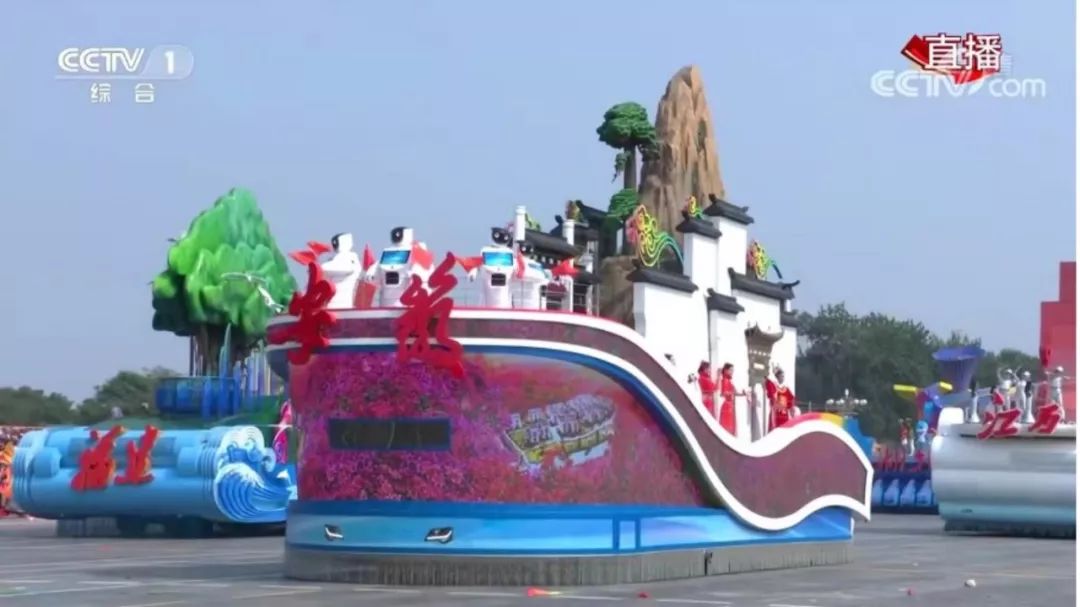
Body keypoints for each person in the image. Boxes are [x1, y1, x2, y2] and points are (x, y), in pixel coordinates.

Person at [765, 366, 796, 431]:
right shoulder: (773, 387)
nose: (783, 378)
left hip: (784, 417)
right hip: (775, 415)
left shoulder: (786, 389)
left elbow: (791, 402)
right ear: (777, 377)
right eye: (781, 376)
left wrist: (792, 413)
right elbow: (768, 383)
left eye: (783, 376)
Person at [718, 363, 740, 435]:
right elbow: (723, 393)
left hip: (730, 406)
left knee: (730, 427)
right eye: (730, 370)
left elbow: (735, 393)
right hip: (728, 406)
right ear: (726, 370)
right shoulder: (725, 380)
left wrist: (744, 394)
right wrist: (732, 393)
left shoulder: (729, 381)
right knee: (727, 428)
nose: (732, 372)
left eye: (733, 370)